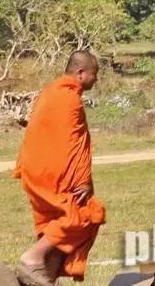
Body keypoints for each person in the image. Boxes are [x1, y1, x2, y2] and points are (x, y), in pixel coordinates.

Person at [14, 51, 106, 285]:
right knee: (81, 218)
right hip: (51, 174)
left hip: (33, 170)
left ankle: (47, 276)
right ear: (80, 72)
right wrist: (82, 179)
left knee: (53, 223)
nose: (96, 79)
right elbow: (71, 143)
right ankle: (32, 259)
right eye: (94, 74)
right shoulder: (69, 99)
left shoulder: (50, 92)